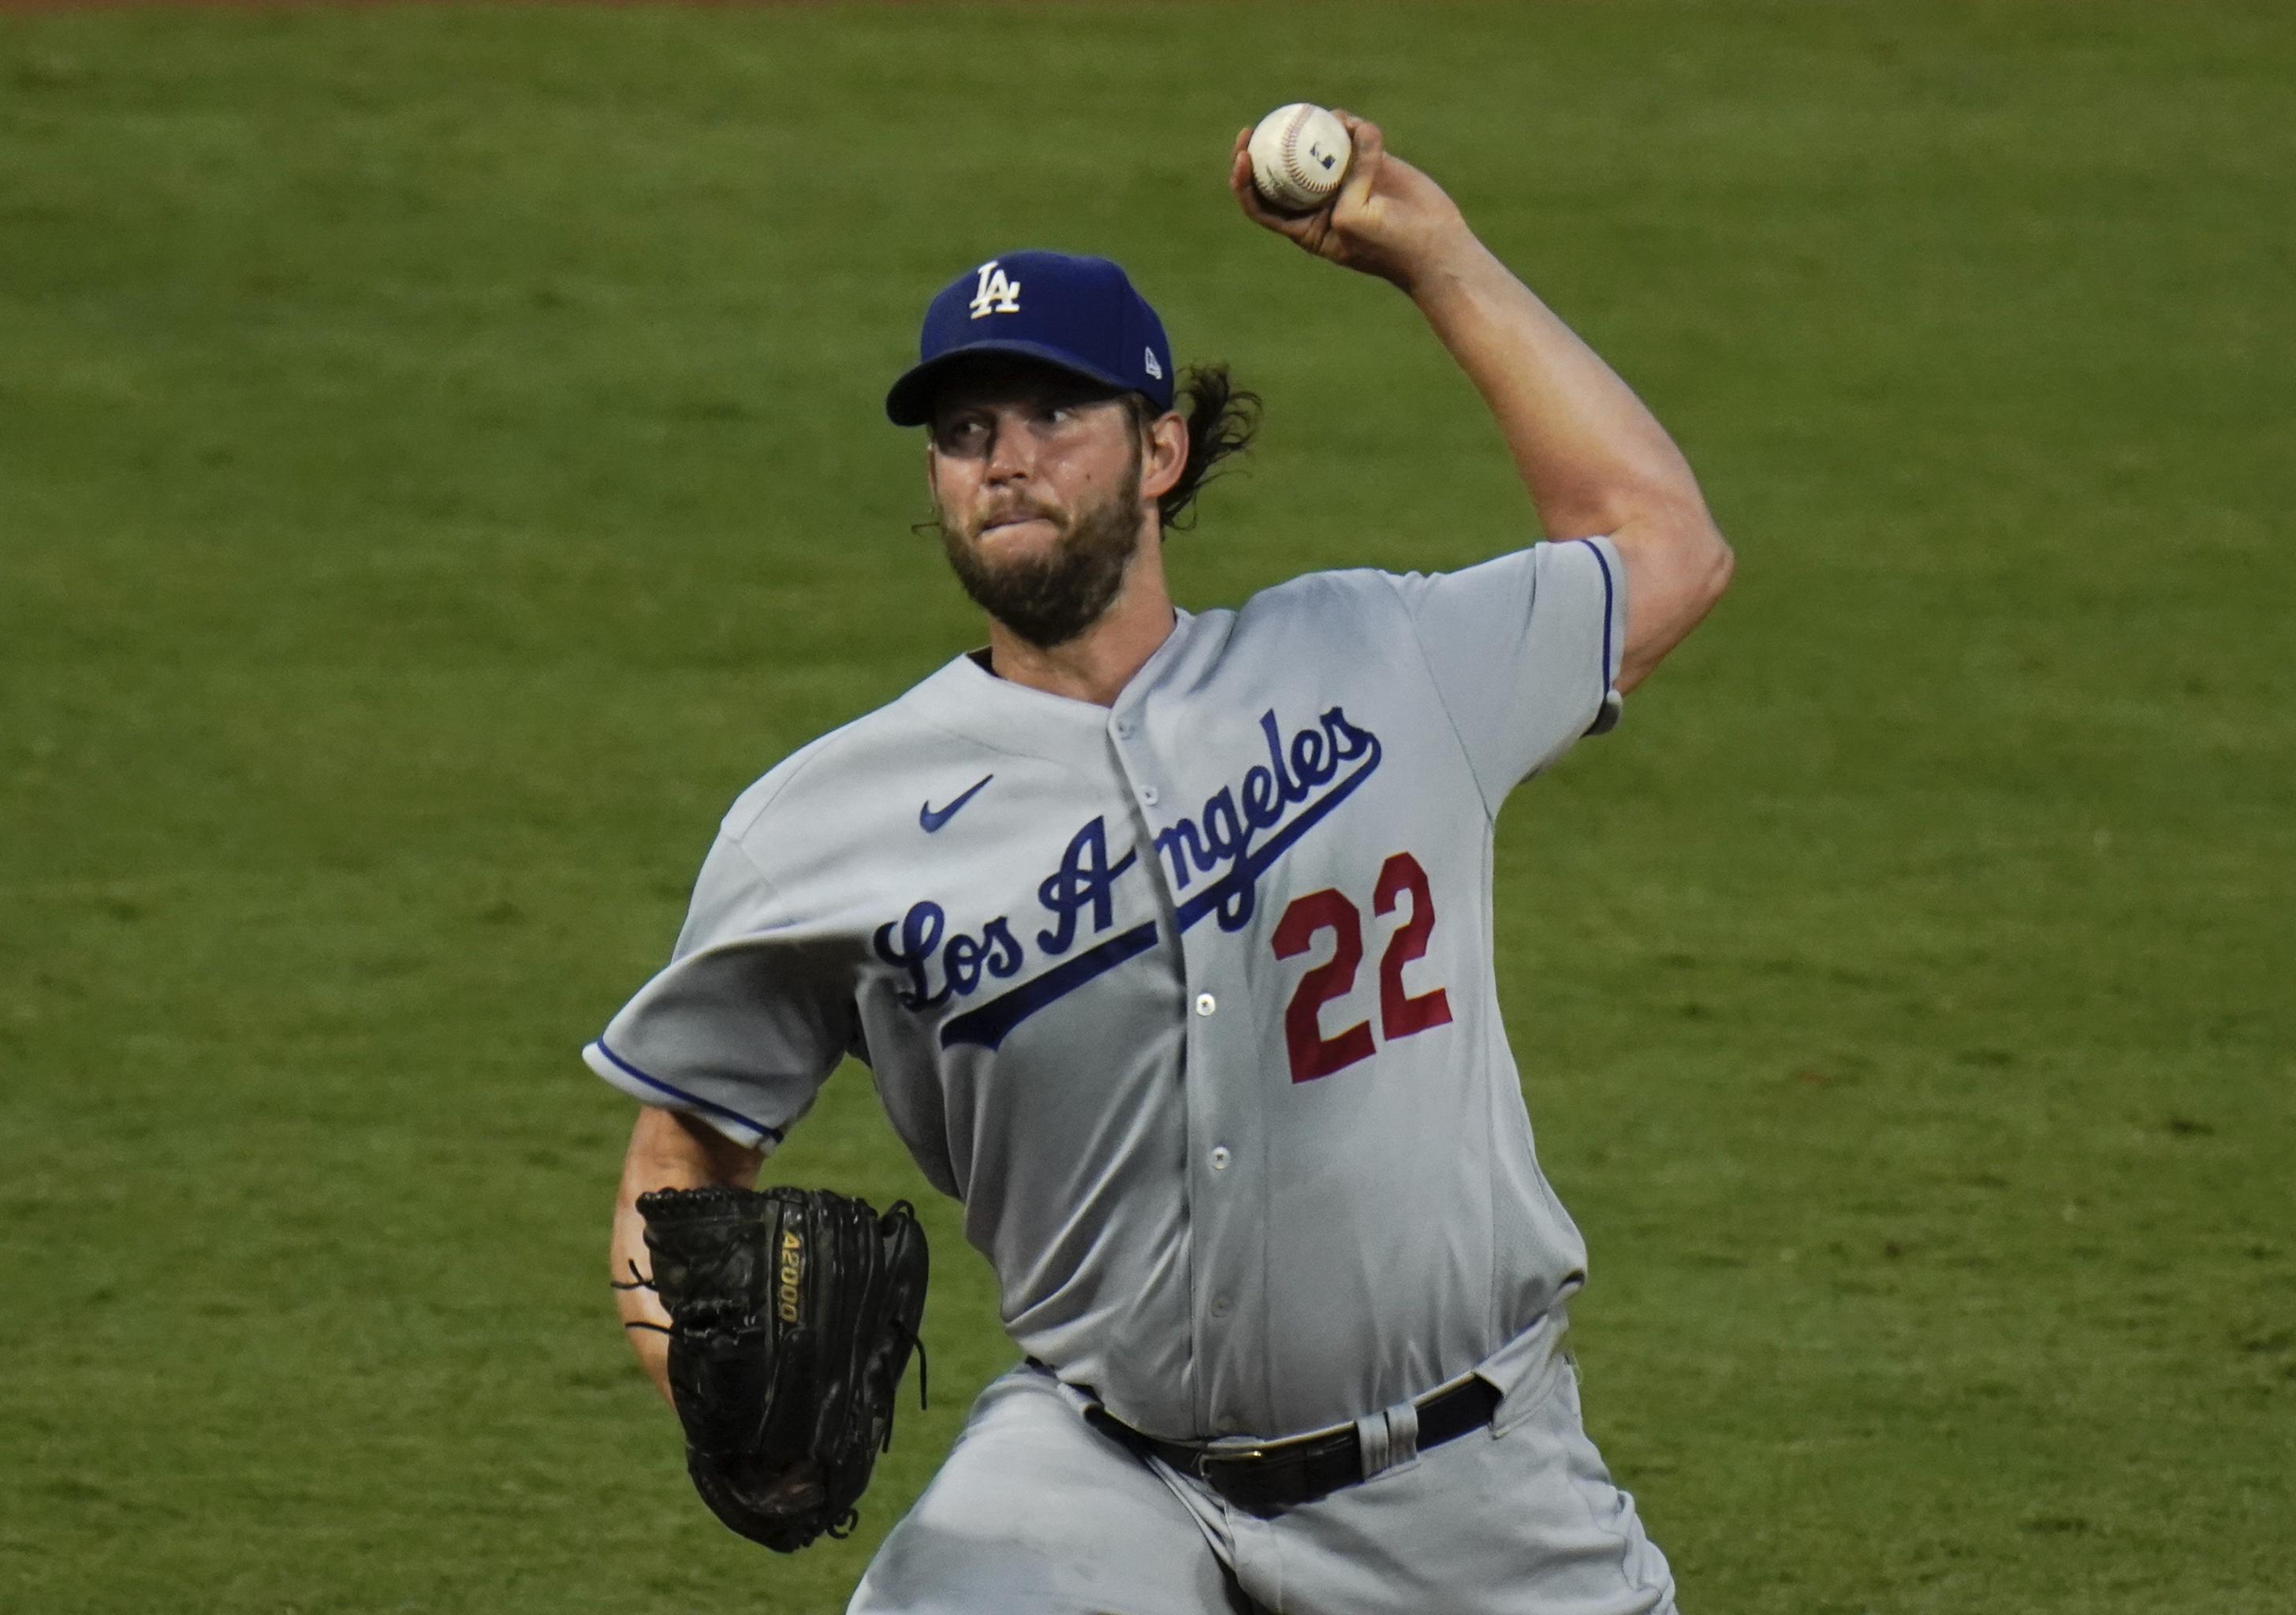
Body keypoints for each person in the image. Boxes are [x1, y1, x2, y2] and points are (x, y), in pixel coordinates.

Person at [593, 112, 1732, 1614]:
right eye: (964, 432)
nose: (1005, 461)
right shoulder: (823, 824)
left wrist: (1431, 254)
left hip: (1467, 1477)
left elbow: (1664, 544)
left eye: (1054, 415)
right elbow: (684, 1154)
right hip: (1106, 1473)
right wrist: (713, 1397)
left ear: (1162, 448)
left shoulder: (1382, 659)